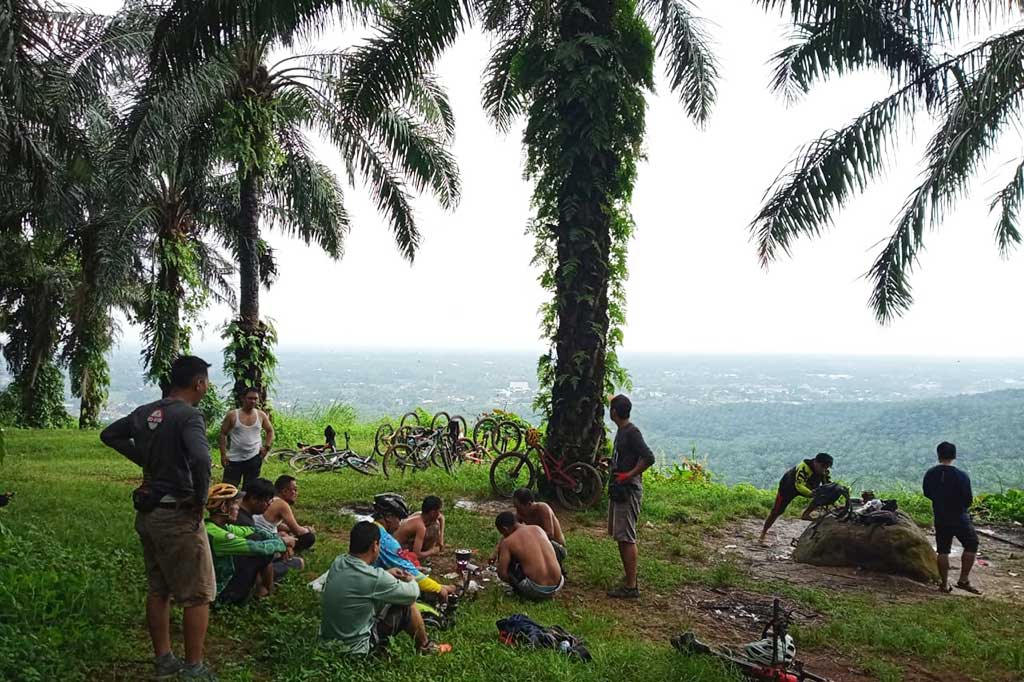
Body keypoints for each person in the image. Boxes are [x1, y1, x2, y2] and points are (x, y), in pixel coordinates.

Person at [100, 355, 218, 681]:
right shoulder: (189, 415)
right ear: (198, 383)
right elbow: (201, 459)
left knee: (158, 590)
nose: (207, 386)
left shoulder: (144, 412)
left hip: (149, 513)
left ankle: (164, 660)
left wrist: (146, 459)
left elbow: (109, 435)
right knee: (198, 594)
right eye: (206, 381)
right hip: (177, 515)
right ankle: (194, 668)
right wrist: (200, 499)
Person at [320, 521, 451, 655]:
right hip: (357, 650)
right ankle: (425, 647)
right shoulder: (375, 578)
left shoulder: (339, 562)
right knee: (407, 604)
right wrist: (410, 579)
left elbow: (362, 582)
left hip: (329, 645)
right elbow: (412, 594)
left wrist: (387, 574)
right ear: (374, 546)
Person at [205, 483, 290, 605]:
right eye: (235, 504)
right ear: (224, 508)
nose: (238, 507)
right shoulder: (220, 536)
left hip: (215, 583)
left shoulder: (217, 526)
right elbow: (258, 548)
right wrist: (282, 542)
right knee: (262, 554)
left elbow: (252, 530)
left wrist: (277, 538)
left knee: (257, 539)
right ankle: (264, 593)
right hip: (218, 594)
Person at [607, 394, 655, 599]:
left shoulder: (631, 432)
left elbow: (649, 457)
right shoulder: (623, 431)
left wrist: (629, 475)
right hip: (620, 489)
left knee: (626, 537)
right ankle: (629, 577)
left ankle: (631, 586)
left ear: (614, 412)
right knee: (621, 536)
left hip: (628, 490)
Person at [371, 494, 456, 601]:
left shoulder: (370, 529)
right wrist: (439, 588)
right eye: (399, 519)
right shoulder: (386, 541)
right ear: (388, 517)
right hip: (371, 590)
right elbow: (410, 572)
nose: (399, 524)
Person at [923, 442, 981, 595]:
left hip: (940, 516)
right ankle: (963, 580)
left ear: (938, 455)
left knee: (943, 550)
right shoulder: (961, 475)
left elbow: (927, 492)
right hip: (959, 516)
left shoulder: (931, 473)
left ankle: (944, 584)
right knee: (971, 543)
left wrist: (939, 501)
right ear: (954, 456)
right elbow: (968, 499)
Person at [236, 478, 305, 578]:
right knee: (299, 562)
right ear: (254, 499)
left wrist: (281, 541)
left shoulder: (242, 515)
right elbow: (261, 551)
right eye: (267, 501)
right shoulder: (245, 524)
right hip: (247, 572)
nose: (269, 505)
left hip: (248, 562)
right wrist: (281, 544)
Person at [760, 452, 834, 543]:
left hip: (808, 486)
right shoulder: (804, 467)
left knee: (824, 492)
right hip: (788, 487)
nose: (824, 469)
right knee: (776, 511)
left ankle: (806, 514)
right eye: (823, 466)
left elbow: (828, 485)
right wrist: (811, 493)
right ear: (816, 462)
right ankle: (764, 532)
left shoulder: (824, 471)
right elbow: (799, 485)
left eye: (827, 467)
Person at [494, 511, 564, 601]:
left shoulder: (507, 542)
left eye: (502, 533)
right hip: (558, 585)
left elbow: (502, 573)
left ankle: (520, 592)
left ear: (505, 529)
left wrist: (514, 582)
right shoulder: (538, 529)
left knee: (508, 564)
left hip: (536, 589)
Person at [218, 388, 274, 489]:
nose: (253, 401)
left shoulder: (261, 415)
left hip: (254, 457)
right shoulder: (232, 415)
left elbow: (270, 431)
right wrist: (223, 454)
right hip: (234, 459)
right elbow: (223, 434)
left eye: (255, 399)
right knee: (228, 489)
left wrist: (267, 447)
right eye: (250, 398)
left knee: (250, 489)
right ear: (242, 398)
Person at [256, 475, 316, 552]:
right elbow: (298, 531)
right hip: (264, 540)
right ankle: (287, 550)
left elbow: (276, 525)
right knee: (309, 537)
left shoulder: (271, 499)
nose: (296, 493)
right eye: (295, 490)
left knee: (284, 533)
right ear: (284, 491)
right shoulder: (282, 504)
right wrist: (308, 529)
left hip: (257, 534)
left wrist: (292, 529)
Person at [393, 496, 445, 561]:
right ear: (432, 513)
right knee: (434, 528)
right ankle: (420, 558)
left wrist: (441, 539)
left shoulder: (420, 514)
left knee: (435, 524)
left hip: (396, 542)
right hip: (396, 550)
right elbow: (416, 555)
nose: (440, 513)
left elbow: (441, 517)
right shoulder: (420, 526)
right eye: (439, 511)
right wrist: (433, 551)